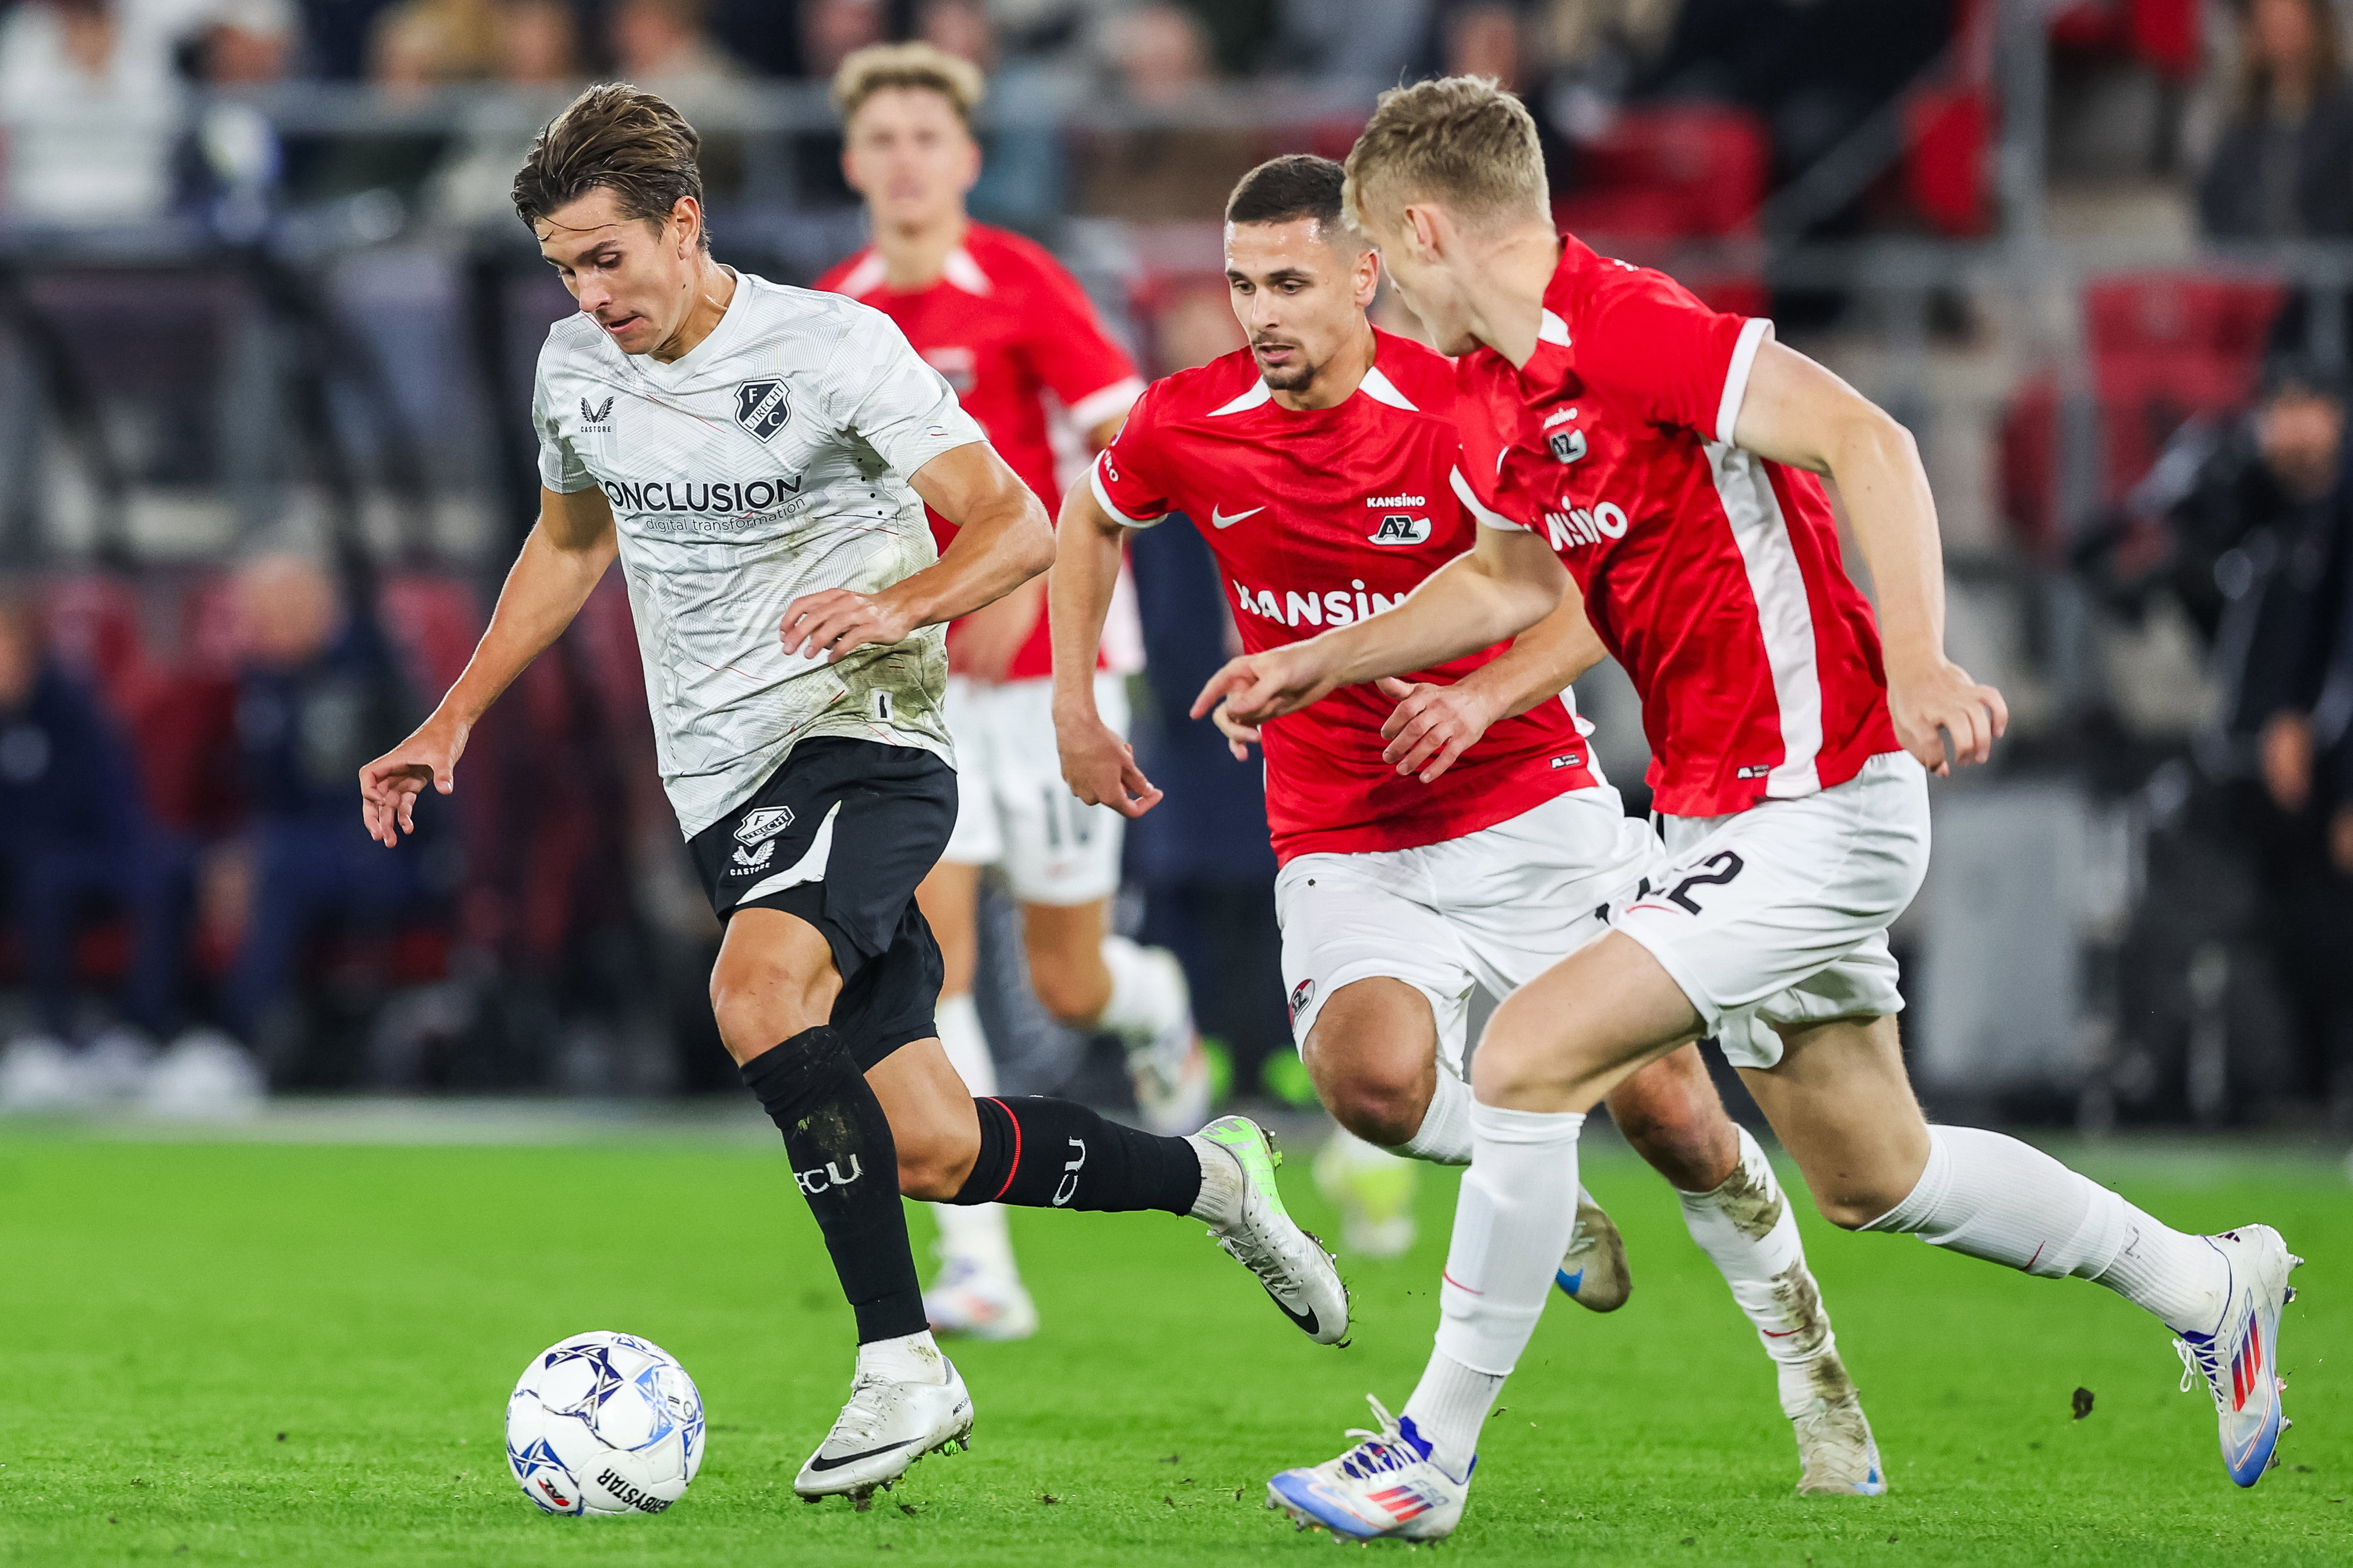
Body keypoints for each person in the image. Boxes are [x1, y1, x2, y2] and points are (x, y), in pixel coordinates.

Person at [1197, 78, 2301, 1539]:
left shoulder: (1632, 326)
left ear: (1419, 226)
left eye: (1381, 265)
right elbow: (1504, 582)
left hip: (1823, 797)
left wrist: (1917, 658)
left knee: (1524, 1057)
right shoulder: (1508, 389)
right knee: (1872, 1171)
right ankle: (2206, 1283)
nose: (1382, 299)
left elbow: (1873, 441)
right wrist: (1314, 659)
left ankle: (1429, 1452)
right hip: (1723, 813)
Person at [356, 84, 1348, 1507]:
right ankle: (1216, 1180)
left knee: (757, 995)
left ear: (683, 223)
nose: (588, 291)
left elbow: (1010, 515)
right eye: (564, 266)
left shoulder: (832, 347)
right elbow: (569, 546)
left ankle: (903, 1360)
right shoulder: (576, 368)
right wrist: (449, 719)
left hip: (863, 745)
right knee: (935, 1144)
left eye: (608, 257)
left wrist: (903, 603)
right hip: (719, 784)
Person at [1055, 152, 1884, 1499]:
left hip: (1528, 804)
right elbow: (1090, 518)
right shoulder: (1187, 420)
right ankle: (1547, 1190)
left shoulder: (1465, 402)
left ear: (1367, 272)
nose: (1258, 313)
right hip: (1340, 824)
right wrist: (1077, 707)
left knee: (1672, 1108)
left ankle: (1814, 1371)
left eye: (1289, 282)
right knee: (1368, 1083)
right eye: (1239, 284)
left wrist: (1483, 693)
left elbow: (1577, 594)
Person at [814, 41, 1210, 1345]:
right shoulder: (836, 316)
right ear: (853, 159)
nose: (906, 159)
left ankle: (1155, 1014)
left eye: (929, 136)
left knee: (1072, 975)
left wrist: (1025, 592)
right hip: (918, 689)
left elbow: (1129, 456)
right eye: (884, 139)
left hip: (1055, 678)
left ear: (968, 158)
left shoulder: (1026, 286)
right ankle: (977, 1257)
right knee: (928, 967)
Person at [2198, 0, 2353, 241]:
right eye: (2269, 20)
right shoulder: (2244, 123)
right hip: (2254, 268)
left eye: (2290, 17)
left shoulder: (2343, 113)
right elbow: (2216, 206)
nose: (2281, 30)